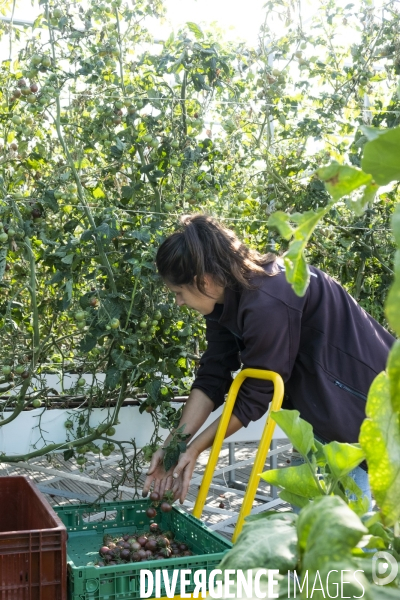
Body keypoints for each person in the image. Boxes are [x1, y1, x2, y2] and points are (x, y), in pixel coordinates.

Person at [142, 214, 394, 506]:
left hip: (368, 408)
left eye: (178, 293)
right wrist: (175, 447)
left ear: (203, 281)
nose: (179, 302)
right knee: (318, 527)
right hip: (332, 413)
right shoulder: (227, 300)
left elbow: (257, 394)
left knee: (337, 532)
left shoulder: (269, 299)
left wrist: (195, 449)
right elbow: (214, 374)